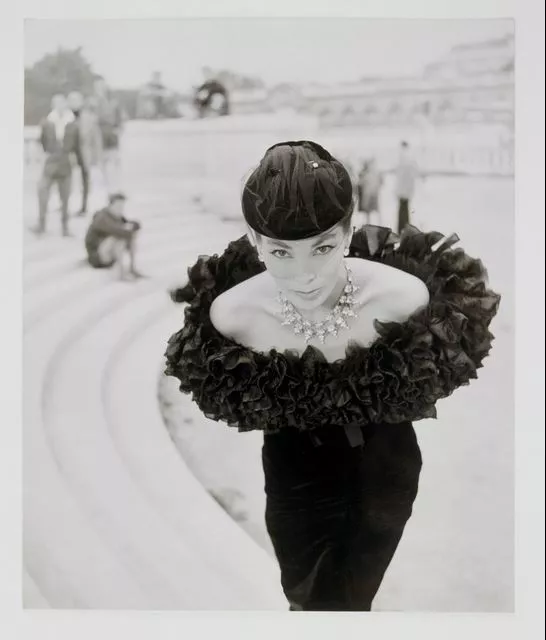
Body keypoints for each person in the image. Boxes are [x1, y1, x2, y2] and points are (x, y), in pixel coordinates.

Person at [164, 140, 500, 611]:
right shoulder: (232, 317)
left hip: (386, 467)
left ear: (348, 231)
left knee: (352, 600)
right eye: (281, 252)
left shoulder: (403, 299)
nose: (304, 276)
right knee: (304, 596)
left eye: (322, 247)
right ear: (256, 242)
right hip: (292, 469)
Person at [33, 94, 79, 237]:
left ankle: (65, 227)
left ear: (65, 105)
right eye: (56, 103)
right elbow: (41, 141)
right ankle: (41, 224)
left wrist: (75, 159)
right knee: (43, 193)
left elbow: (77, 144)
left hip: (65, 162)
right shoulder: (46, 122)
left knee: (65, 197)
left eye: (62, 103)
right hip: (51, 161)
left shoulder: (72, 123)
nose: (59, 106)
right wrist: (45, 155)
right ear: (53, 105)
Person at [84, 193, 144, 281]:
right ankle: (121, 274)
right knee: (118, 237)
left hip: (106, 253)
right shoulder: (102, 217)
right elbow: (116, 231)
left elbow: (132, 225)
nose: (121, 209)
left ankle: (132, 268)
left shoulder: (116, 216)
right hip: (97, 258)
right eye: (118, 206)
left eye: (122, 206)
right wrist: (129, 230)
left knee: (127, 234)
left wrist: (133, 226)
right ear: (111, 205)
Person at [67, 91, 103, 216]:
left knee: (85, 182)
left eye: (76, 100)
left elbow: (96, 139)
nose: (73, 103)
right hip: (69, 155)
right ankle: (66, 206)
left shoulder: (89, 118)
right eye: (71, 100)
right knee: (68, 182)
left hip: (84, 155)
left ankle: (84, 206)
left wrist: (96, 158)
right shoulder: (65, 116)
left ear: (81, 102)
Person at [93, 75, 125, 192]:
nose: (100, 89)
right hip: (100, 131)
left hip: (111, 131)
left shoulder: (113, 101)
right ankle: (105, 179)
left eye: (101, 86)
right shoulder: (93, 102)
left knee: (115, 156)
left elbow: (120, 117)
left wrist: (119, 129)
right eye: (97, 87)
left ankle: (116, 178)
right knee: (103, 157)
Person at [394, 141, 420, 233]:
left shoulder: (403, 158)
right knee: (405, 209)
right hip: (406, 190)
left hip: (403, 189)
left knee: (403, 210)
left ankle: (402, 229)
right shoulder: (409, 158)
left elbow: (401, 177)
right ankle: (405, 228)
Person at [358, 157, 383, 225]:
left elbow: (361, 183)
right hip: (371, 194)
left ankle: (373, 223)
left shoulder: (368, 173)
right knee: (372, 211)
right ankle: (375, 223)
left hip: (369, 194)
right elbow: (380, 183)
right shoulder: (371, 173)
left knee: (370, 211)